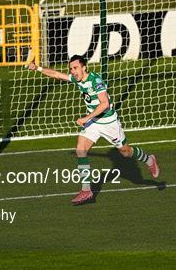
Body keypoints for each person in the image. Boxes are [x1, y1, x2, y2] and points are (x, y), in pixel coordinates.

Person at [29, 55, 160, 205]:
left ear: (84, 67)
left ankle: (149, 159)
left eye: (75, 68)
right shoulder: (77, 79)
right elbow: (57, 74)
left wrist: (86, 118)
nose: (73, 71)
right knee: (80, 149)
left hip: (108, 122)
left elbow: (104, 104)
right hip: (94, 122)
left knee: (126, 153)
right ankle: (87, 191)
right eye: (71, 69)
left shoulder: (95, 80)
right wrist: (37, 68)